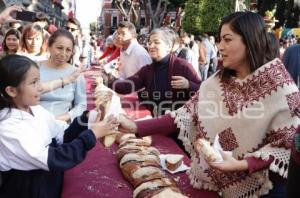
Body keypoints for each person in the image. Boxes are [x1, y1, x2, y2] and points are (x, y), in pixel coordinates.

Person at [118, 12, 300, 198]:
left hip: (265, 190)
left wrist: (243, 164)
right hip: (214, 186)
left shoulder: (282, 88)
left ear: (251, 40)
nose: (220, 46)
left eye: (227, 40)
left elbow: (286, 146)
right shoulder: (217, 81)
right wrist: (135, 126)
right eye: (220, 39)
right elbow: (184, 116)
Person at [0, 54, 119, 198]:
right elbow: (55, 159)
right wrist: (92, 135)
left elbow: (63, 136)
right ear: (11, 91)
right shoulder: (8, 128)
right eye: (33, 83)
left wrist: (88, 118)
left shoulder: (35, 109)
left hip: (48, 184)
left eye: (39, 80)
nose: (40, 87)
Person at [108, 28, 201, 117]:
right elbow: (127, 86)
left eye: (156, 42)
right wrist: (109, 80)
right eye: (149, 42)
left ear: (168, 46)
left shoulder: (182, 66)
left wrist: (188, 84)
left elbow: (203, 91)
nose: (151, 46)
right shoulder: (147, 70)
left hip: (180, 125)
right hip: (157, 122)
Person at [39, 29, 87, 122]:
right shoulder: (35, 68)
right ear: (49, 46)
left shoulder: (76, 74)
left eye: (68, 50)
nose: (63, 54)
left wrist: (63, 117)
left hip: (62, 126)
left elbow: (82, 104)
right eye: (59, 48)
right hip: (34, 123)